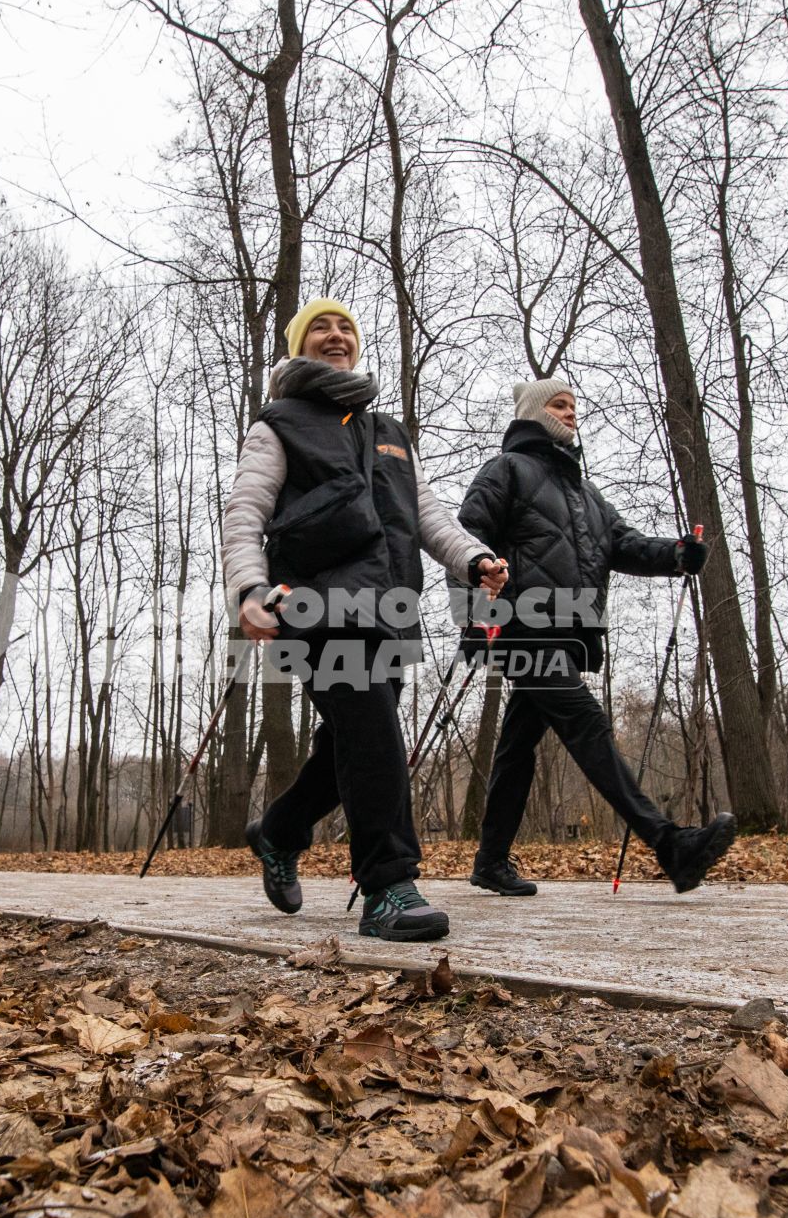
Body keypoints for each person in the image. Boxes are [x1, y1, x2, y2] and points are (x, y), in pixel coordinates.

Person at [222, 298, 506, 941]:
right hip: (315, 605)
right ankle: (387, 887)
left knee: (349, 744)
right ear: (298, 347)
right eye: (319, 327)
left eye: (344, 326)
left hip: (389, 610)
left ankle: (278, 832)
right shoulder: (279, 426)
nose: (334, 334)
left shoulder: (390, 432)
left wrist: (475, 560)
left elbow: (428, 516)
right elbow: (245, 512)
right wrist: (249, 587)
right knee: (374, 733)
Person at [456, 377, 736, 897]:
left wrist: (676, 555)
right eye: (560, 406)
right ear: (535, 414)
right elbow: (465, 540)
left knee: (517, 748)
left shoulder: (586, 494)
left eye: (574, 407)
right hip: (521, 627)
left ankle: (490, 862)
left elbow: (623, 544)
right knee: (586, 722)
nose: (571, 414)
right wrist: (474, 618)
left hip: (569, 632)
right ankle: (670, 843)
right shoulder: (507, 470)